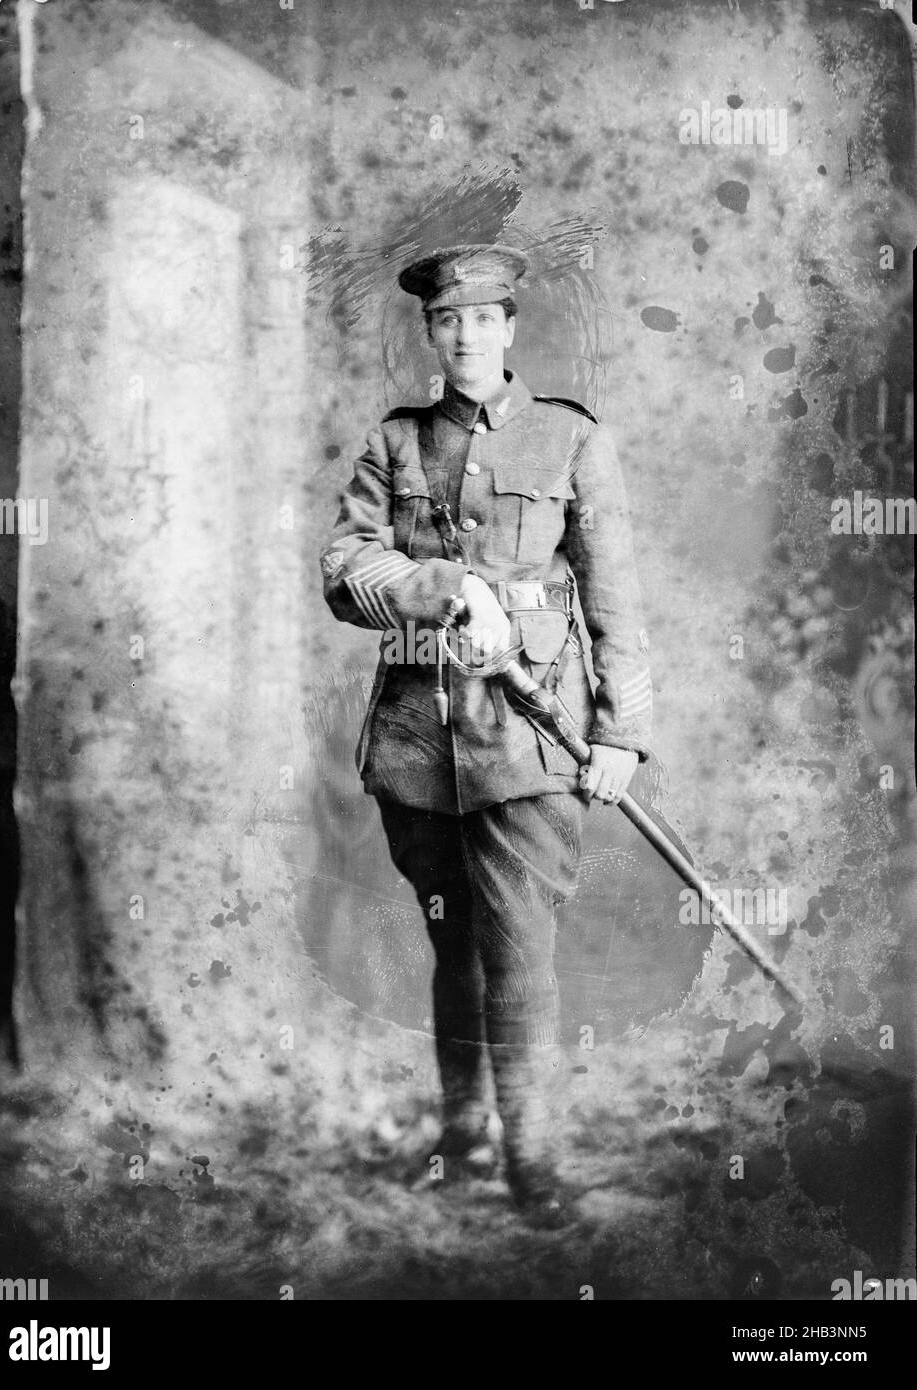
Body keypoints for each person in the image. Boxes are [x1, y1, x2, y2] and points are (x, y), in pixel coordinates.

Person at [320, 244, 653, 1222]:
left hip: (529, 733)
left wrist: (622, 735)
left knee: (519, 950)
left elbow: (617, 604)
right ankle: (464, 1136)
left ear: (510, 328)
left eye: (482, 319)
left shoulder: (572, 441)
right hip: (417, 741)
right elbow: (344, 569)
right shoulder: (396, 443)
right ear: (432, 334)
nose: (465, 335)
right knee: (450, 941)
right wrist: (445, 585)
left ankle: (534, 1164)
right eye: (447, 322)